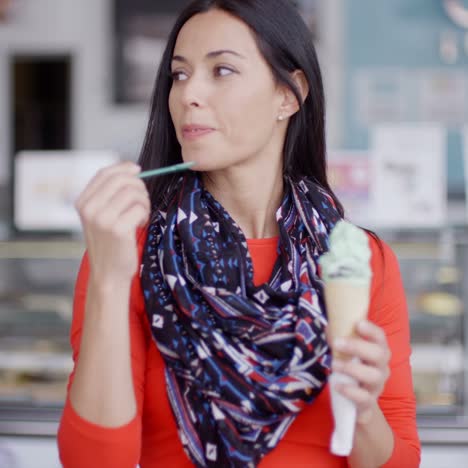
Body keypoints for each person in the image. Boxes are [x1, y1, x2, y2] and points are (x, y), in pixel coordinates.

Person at [57, 1, 420, 467]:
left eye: (222, 70)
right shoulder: (126, 249)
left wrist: (364, 409)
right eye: (179, 74)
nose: (189, 94)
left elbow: (401, 461)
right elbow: (92, 462)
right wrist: (108, 281)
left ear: (289, 96)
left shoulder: (358, 258)